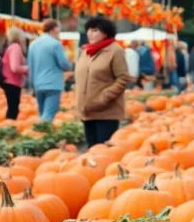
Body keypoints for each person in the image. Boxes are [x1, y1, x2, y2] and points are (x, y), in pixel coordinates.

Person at [75, 16, 130, 148]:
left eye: (94, 30)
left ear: (105, 33)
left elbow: (123, 78)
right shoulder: (86, 52)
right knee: (91, 152)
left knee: (104, 152)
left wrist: (105, 97)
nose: (89, 33)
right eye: (88, 30)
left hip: (106, 112)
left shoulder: (115, 51)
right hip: (87, 111)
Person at [28, 19, 73, 122]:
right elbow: (64, 64)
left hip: (38, 84)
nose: (59, 31)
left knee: (42, 113)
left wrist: (32, 85)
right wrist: (70, 65)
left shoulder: (33, 45)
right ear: (53, 29)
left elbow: (31, 66)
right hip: (53, 84)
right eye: (58, 28)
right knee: (49, 114)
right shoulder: (55, 44)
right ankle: (39, 134)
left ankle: (39, 134)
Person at [0, 27, 28, 120]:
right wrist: (28, 69)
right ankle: (9, 128)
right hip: (12, 81)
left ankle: (9, 127)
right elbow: (15, 67)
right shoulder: (16, 47)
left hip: (9, 80)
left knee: (12, 107)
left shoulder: (11, 47)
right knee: (13, 109)